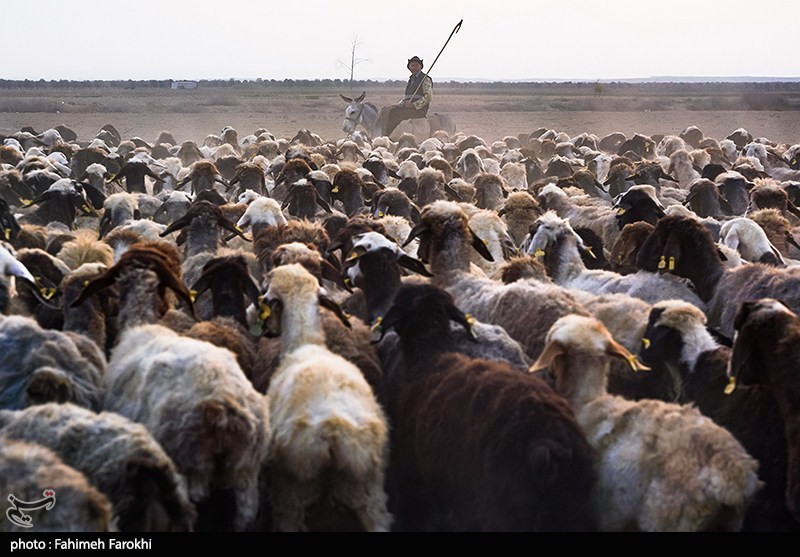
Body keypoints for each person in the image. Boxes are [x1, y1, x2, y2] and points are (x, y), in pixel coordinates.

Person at [382, 56, 433, 136]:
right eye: (412, 65)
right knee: (387, 110)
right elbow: (407, 97)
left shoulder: (425, 79)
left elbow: (428, 97)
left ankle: (388, 135)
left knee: (395, 113)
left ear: (420, 67)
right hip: (408, 107)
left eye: (416, 65)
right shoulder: (411, 79)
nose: (414, 67)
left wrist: (414, 105)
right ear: (409, 67)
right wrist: (398, 105)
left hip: (419, 110)